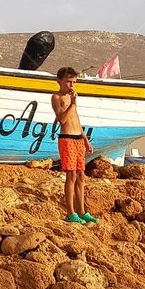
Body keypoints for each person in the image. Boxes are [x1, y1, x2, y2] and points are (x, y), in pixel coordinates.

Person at [51, 67, 96, 225]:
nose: (71, 85)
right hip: (67, 139)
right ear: (60, 81)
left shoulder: (72, 98)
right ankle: (70, 212)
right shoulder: (57, 97)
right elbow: (62, 119)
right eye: (68, 82)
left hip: (78, 139)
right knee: (71, 176)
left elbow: (76, 120)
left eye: (74, 82)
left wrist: (85, 139)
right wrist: (73, 104)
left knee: (81, 176)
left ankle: (82, 211)